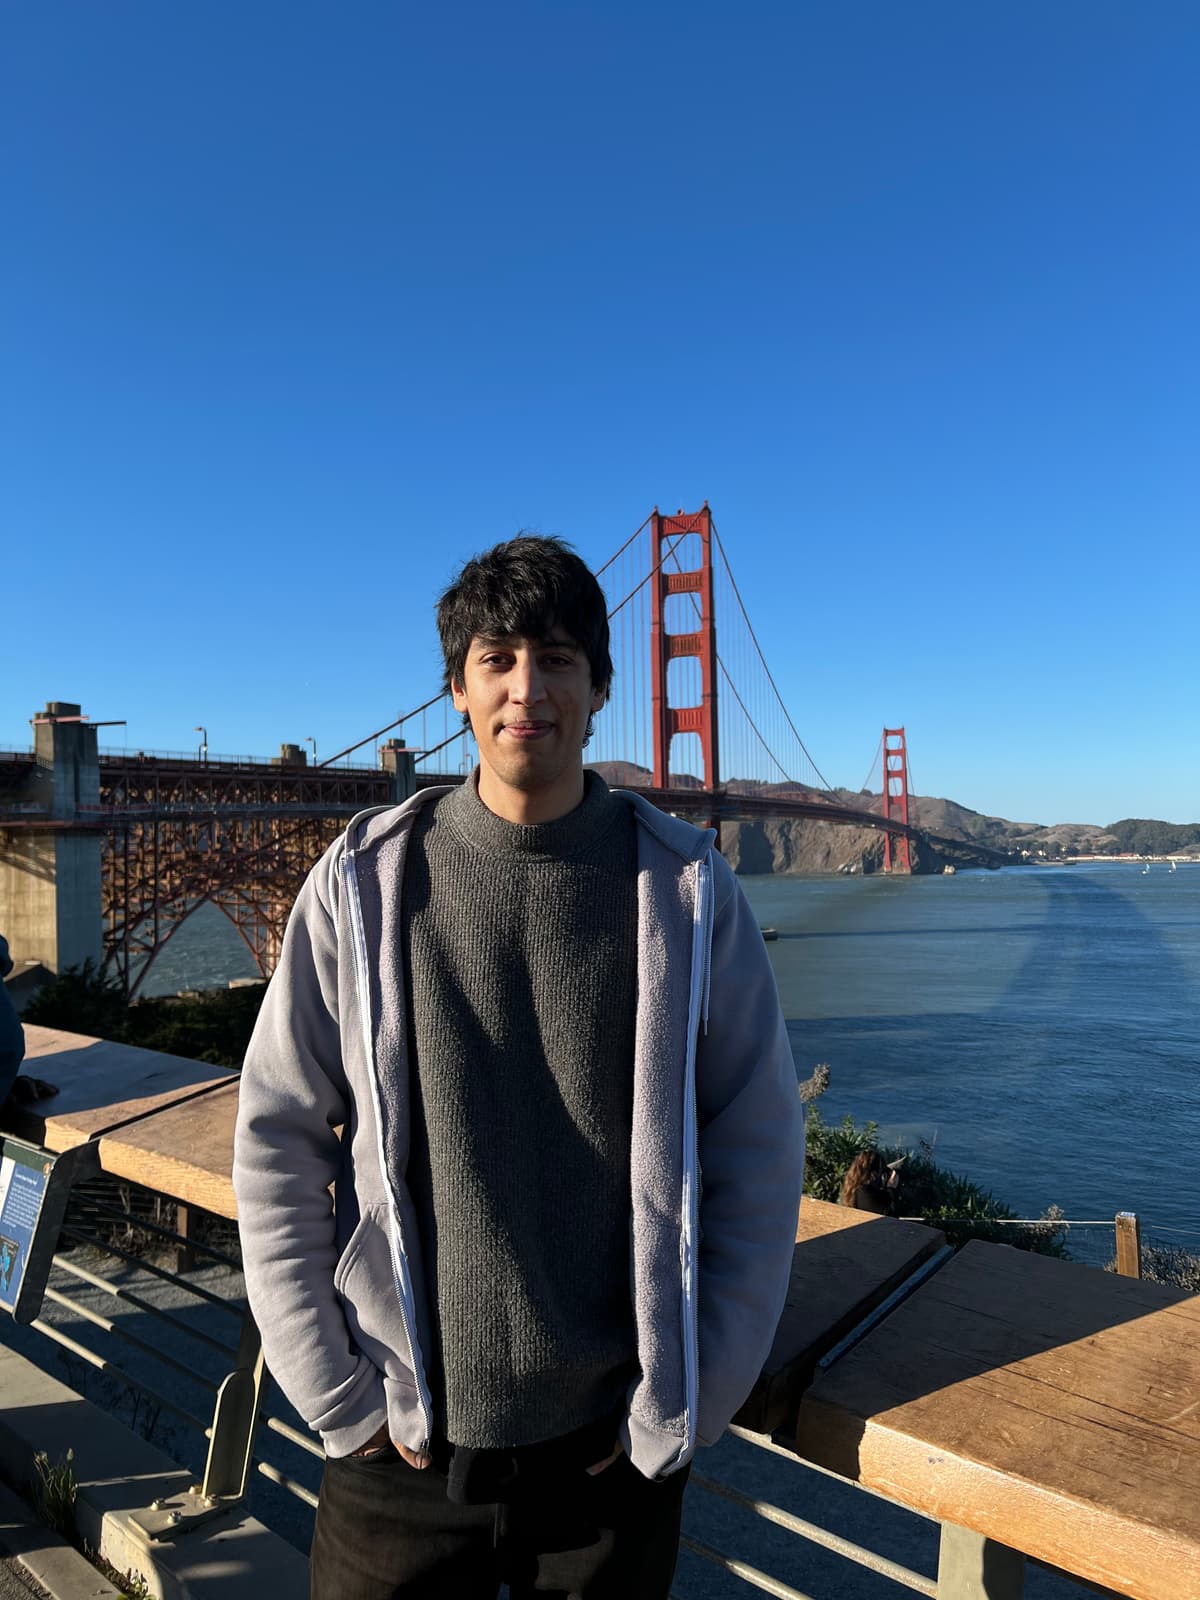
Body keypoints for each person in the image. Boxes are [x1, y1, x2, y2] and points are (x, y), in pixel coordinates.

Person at [232, 535, 804, 1599]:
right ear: (456, 689)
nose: (525, 690)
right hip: (394, 1447)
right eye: (496, 660)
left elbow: (760, 1151)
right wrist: (337, 1396)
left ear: (600, 688)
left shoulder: (686, 893)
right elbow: (276, 1134)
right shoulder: (360, 885)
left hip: (608, 1459)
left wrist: (683, 1403)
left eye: (556, 659)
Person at [839, 1150, 901, 1215]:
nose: (883, 1176)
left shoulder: (857, 1189)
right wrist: (891, 1188)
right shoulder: (864, 1192)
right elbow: (890, 1218)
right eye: (881, 1172)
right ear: (872, 1174)